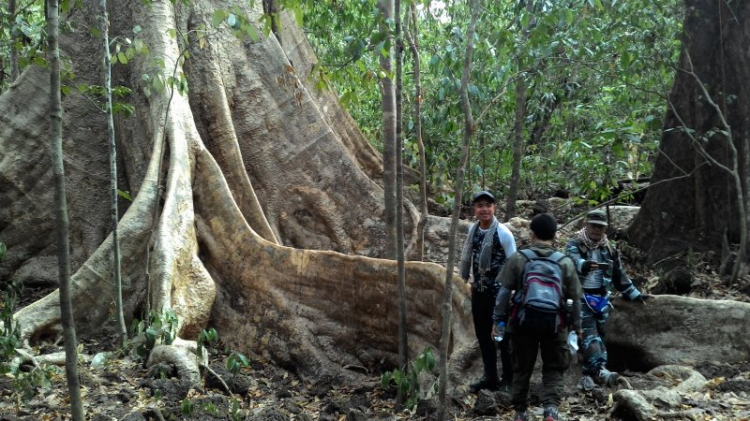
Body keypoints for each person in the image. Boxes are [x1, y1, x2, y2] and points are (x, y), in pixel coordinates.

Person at [493, 213, 582, 421]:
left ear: (531, 234)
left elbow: (504, 293)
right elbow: (576, 299)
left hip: (522, 324)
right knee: (554, 367)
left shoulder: (519, 258)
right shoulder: (565, 262)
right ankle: (550, 409)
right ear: (554, 236)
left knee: (521, 368)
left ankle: (520, 412)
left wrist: (497, 320)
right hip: (556, 324)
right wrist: (577, 327)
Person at [565, 209, 645, 389]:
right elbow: (571, 260)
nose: (596, 230)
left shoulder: (609, 249)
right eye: (593, 225)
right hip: (580, 297)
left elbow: (619, 275)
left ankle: (589, 374)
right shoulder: (574, 244)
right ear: (586, 225)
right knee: (589, 334)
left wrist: (633, 293)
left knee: (599, 334)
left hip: (601, 299)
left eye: (600, 227)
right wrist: (583, 265)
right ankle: (599, 369)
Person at [459, 191, 517, 393]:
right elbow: (470, 259)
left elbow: (514, 264)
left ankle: (509, 379)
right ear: (474, 209)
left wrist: (510, 294)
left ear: (494, 207)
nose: (484, 209)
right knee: (483, 337)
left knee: (503, 338)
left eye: (488, 205)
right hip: (480, 293)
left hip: (500, 296)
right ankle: (490, 376)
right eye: (479, 205)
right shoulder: (473, 231)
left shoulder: (503, 233)